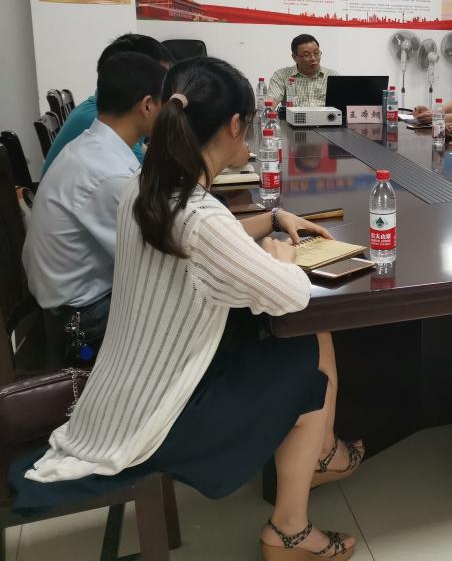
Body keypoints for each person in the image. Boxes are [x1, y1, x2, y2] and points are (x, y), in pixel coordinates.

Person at [12, 57, 363, 560]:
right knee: (307, 368)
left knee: (301, 339)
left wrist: (270, 220)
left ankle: (323, 456)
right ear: (235, 125)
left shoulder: (147, 184)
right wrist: (281, 256)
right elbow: (291, 294)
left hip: (128, 384)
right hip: (158, 412)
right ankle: (289, 532)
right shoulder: (197, 215)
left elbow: (198, 240)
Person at [23, 53, 166, 361]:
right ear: (147, 105)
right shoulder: (108, 174)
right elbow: (156, 258)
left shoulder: (93, 146)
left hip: (67, 302)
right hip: (83, 320)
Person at [41, 33, 173, 176]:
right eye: (162, 82)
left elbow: (142, 153)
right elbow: (146, 177)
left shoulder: (105, 112)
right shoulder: (101, 121)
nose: (166, 94)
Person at [268, 33, 339, 108]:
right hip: (294, 116)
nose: (313, 58)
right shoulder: (281, 76)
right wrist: (269, 107)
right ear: (294, 57)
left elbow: (343, 106)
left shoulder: (333, 76)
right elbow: (271, 103)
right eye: (306, 55)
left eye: (316, 53)